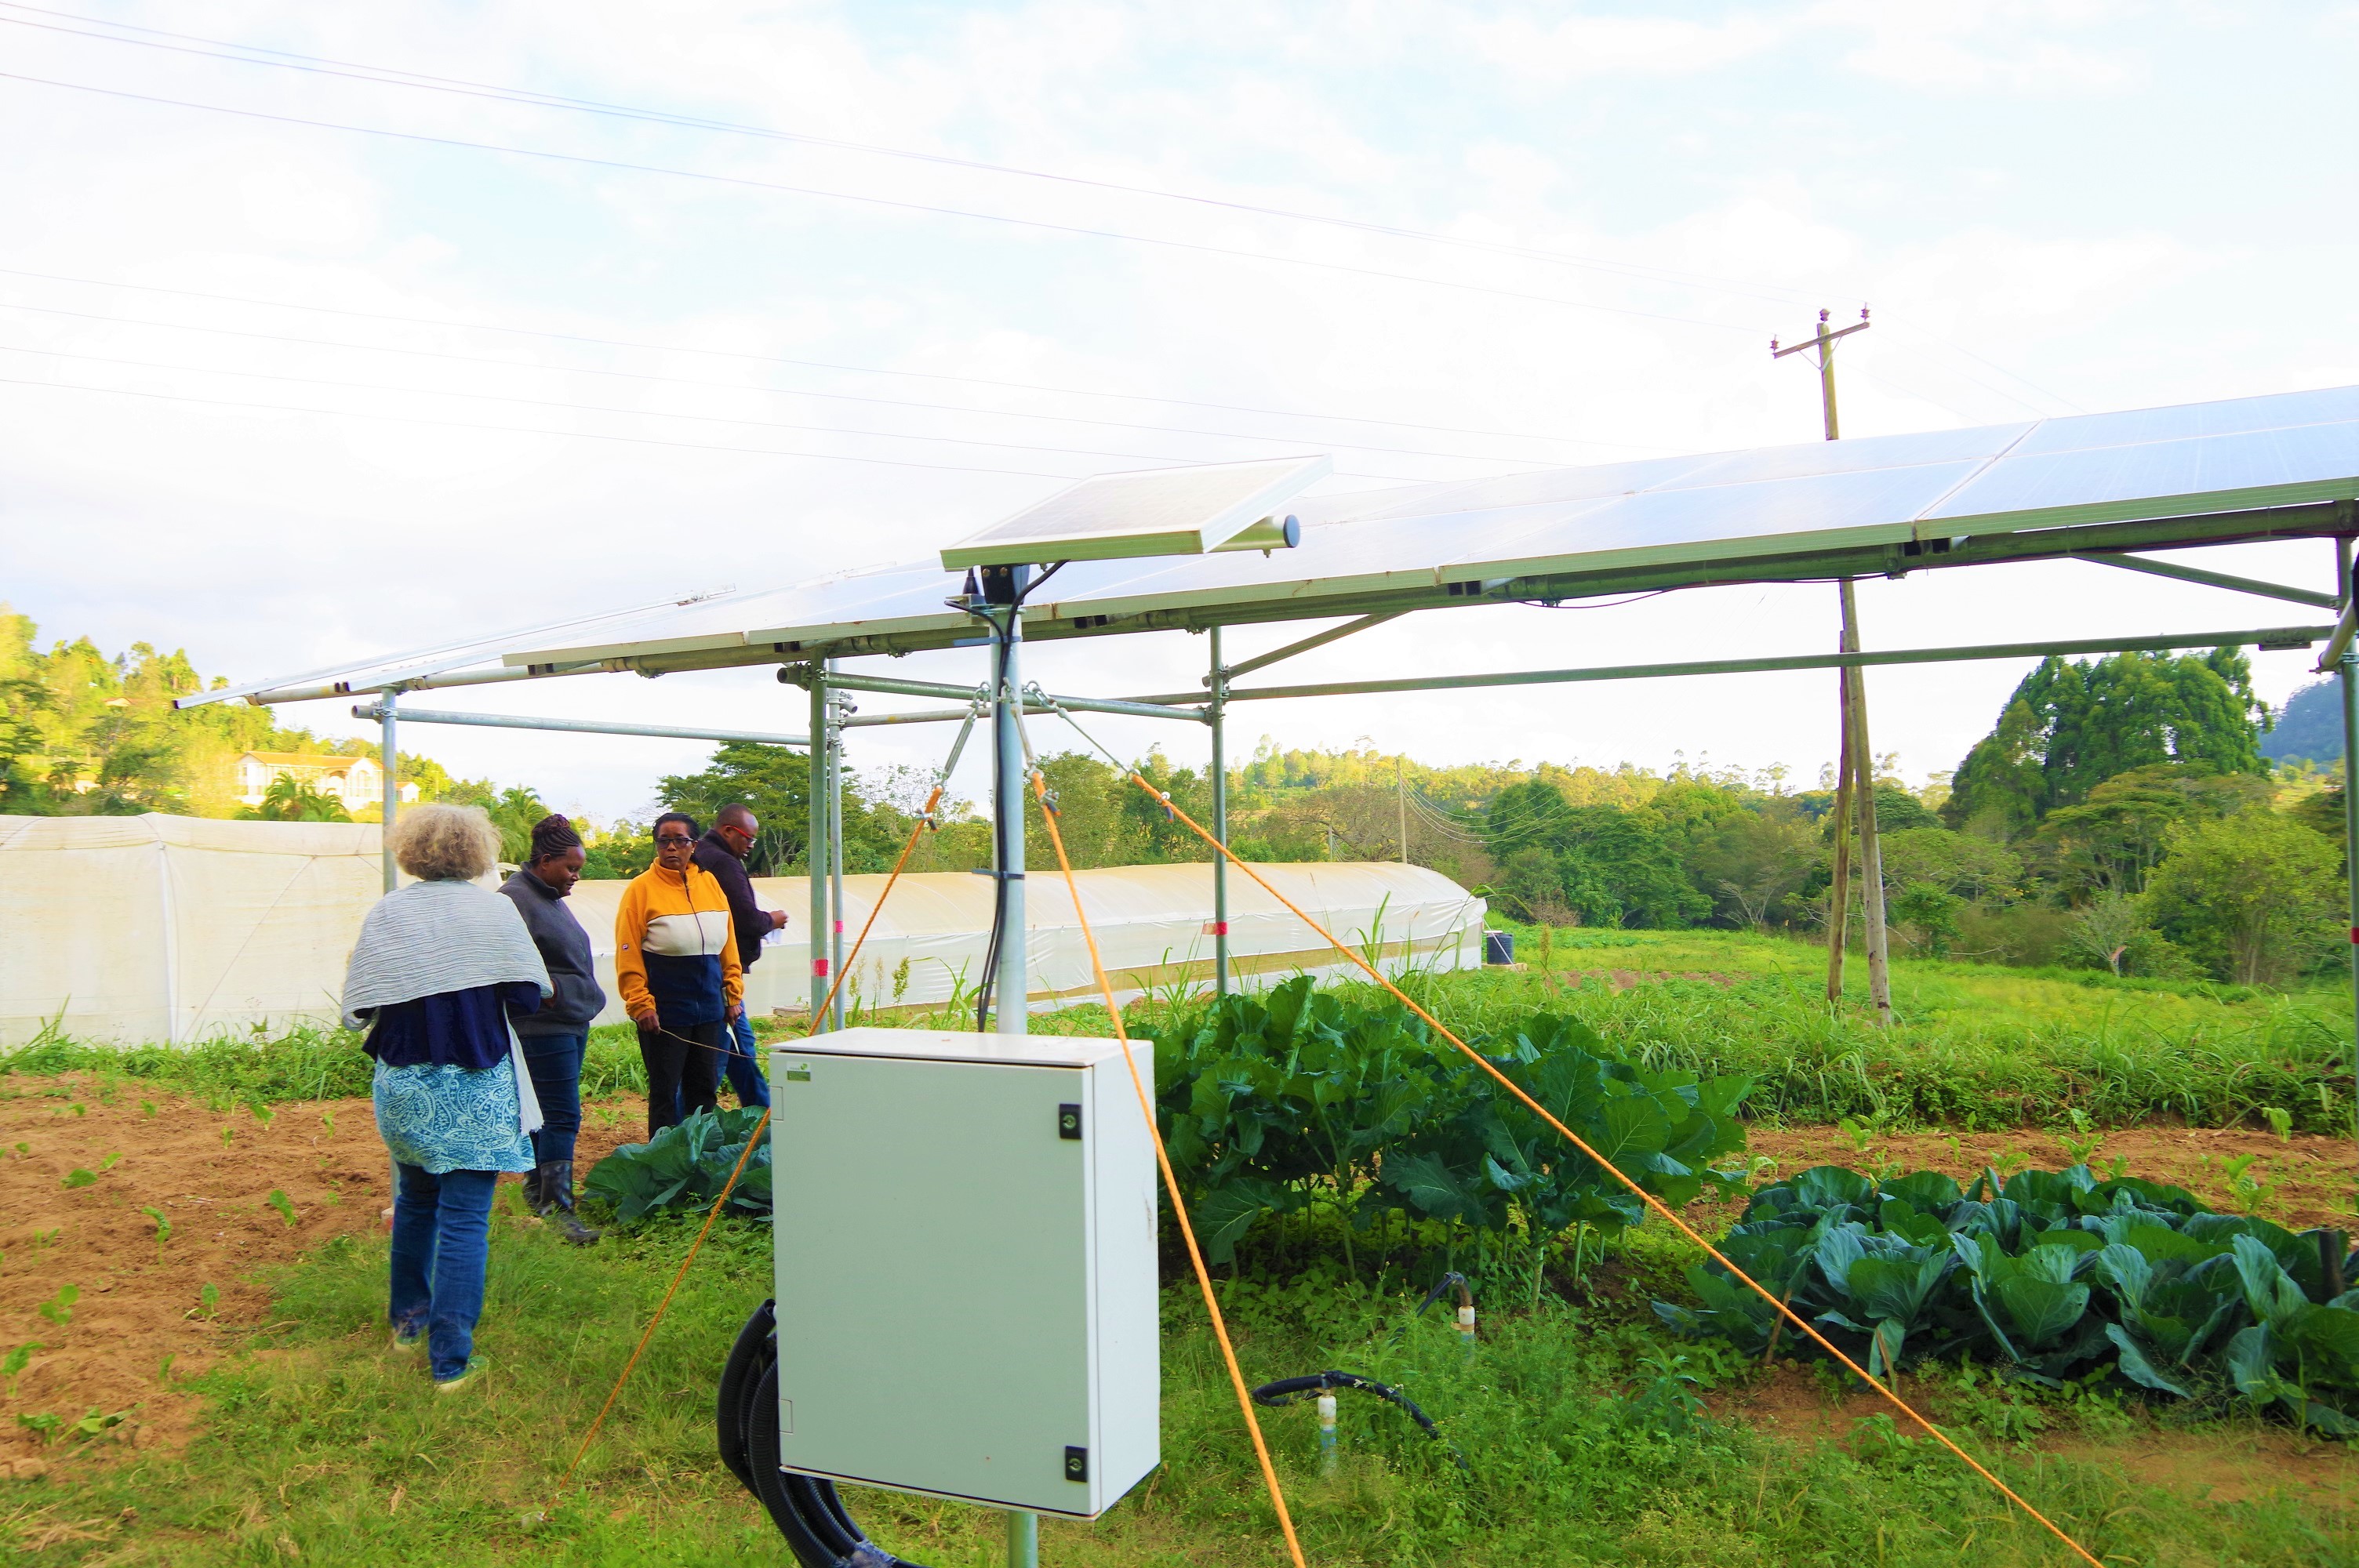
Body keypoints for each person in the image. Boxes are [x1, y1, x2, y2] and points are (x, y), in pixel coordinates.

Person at [340, 804, 551, 1393]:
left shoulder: (388, 914)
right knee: (464, 1218)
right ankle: (450, 1363)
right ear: (477, 850)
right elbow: (529, 996)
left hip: (404, 1081)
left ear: (409, 850)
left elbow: (359, 1006)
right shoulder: (495, 911)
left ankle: (408, 1325)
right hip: (478, 1078)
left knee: (415, 1201)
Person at [499, 812, 606, 1246]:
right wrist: (552, 994)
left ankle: (537, 1193)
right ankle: (558, 1209)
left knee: (545, 1116)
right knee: (561, 1115)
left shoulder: (546, 895)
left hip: (566, 1020)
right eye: (571, 868)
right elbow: (509, 966)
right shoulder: (514, 900)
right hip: (543, 1028)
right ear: (544, 861)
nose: (575, 877)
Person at [615, 809, 742, 1138]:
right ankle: (663, 1165)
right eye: (664, 842)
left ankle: (698, 1163)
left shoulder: (710, 883)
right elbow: (627, 951)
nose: (671, 849)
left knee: (704, 1091)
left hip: (710, 1009)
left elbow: (728, 943)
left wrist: (733, 994)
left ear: (693, 845)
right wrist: (640, 1003)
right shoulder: (640, 890)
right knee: (665, 1092)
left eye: (680, 841)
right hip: (666, 1011)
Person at [691, 803, 787, 1112]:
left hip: (705, 972)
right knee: (722, 1053)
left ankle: (762, 1115)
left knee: (737, 1050)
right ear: (729, 831)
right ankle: (686, 1125)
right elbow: (744, 919)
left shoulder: (700, 857)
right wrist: (772, 920)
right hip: (722, 976)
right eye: (748, 838)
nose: (750, 846)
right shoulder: (723, 863)